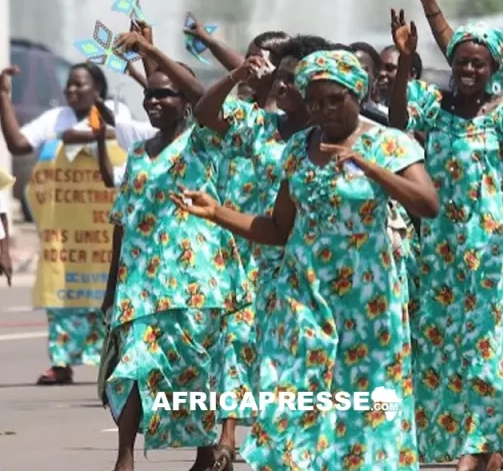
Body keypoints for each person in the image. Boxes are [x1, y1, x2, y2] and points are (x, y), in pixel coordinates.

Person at [174, 49, 437, 471]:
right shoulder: (298, 148)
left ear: (357, 94)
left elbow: (428, 203)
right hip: (302, 297)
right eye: (315, 102)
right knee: (291, 400)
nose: (324, 110)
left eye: (335, 99)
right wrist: (216, 211)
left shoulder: (389, 142)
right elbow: (278, 230)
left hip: (366, 304)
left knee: (361, 415)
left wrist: (372, 169)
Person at [391, 0, 503, 471]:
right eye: (462, 62)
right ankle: (462, 445)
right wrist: (410, 52)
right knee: (438, 355)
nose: (469, 69)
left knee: (485, 353)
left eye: (480, 63)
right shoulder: (431, 109)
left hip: (494, 252)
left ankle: (481, 450)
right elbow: (395, 122)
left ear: (494, 67)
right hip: (435, 251)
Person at [101, 71, 244, 471]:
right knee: (133, 365)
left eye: (164, 94)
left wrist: (228, 77)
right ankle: (124, 458)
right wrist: (111, 288)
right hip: (141, 283)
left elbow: (207, 101)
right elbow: (121, 221)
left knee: (194, 372)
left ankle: (205, 454)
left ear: (186, 103)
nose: (152, 101)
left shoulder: (205, 142)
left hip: (197, 282)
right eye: (149, 94)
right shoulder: (137, 154)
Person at [0, 62, 131, 385]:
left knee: (110, 297)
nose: (71, 90)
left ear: (98, 90)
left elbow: (129, 137)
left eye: (79, 85)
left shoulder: (118, 111)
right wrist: (3, 97)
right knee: (62, 298)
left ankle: (113, 362)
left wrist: (86, 135)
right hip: (65, 233)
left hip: (104, 233)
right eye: (69, 85)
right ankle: (61, 363)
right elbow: (19, 144)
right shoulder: (55, 118)